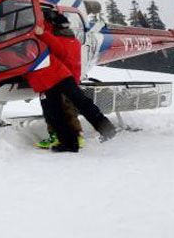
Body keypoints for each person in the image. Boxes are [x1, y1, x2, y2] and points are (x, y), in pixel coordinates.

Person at [32, 8, 117, 152]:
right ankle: (105, 128)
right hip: (69, 76)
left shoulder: (57, 40)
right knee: (81, 104)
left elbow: (58, 49)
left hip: (56, 78)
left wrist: (41, 33)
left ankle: (71, 140)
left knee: (58, 112)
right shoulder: (73, 40)